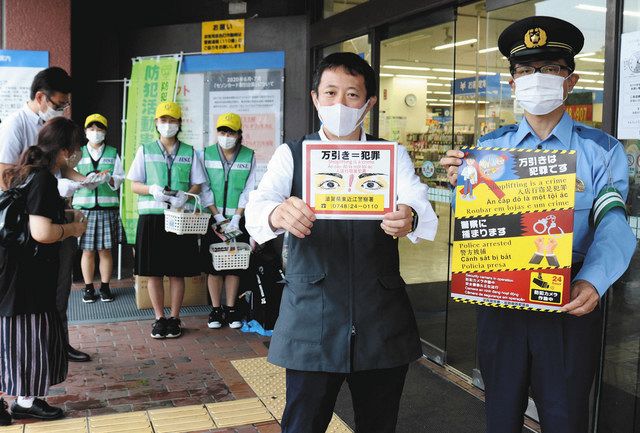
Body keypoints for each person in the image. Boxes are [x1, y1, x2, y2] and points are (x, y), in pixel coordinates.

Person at [440, 16, 636, 433]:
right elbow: (478, 227)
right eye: (526, 71)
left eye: (550, 69)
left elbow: (613, 222)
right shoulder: (488, 150)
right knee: (500, 416)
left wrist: (594, 282)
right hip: (502, 304)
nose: (537, 79)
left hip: (569, 302)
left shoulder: (601, 150)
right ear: (512, 84)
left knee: (565, 419)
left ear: (570, 80)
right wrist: (461, 183)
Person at [245, 52, 439, 433]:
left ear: (369, 103)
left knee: (379, 423)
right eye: (330, 93)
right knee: (303, 422)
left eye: (352, 95)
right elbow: (258, 205)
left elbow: (416, 200)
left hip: (380, 317)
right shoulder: (293, 154)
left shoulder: (391, 155)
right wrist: (276, 213)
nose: (340, 104)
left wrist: (409, 217)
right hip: (311, 319)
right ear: (315, 98)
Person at [0, 66, 92, 363]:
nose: (62, 109)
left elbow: (61, 166)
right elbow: (4, 176)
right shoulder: (16, 125)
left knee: (58, 288)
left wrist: (83, 180)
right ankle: (38, 354)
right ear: (41, 97)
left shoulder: (48, 127)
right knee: (34, 296)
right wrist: (46, 216)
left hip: (46, 214)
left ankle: (56, 344)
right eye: (59, 104)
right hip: (27, 227)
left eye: (65, 105)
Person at [0, 117, 88, 424]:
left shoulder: (28, 172)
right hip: (27, 276)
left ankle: (19, 398)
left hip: (16, 272)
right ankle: (26, 400)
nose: (76, 155)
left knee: (17, 336)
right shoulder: (42, 179)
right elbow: (41, 232)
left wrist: (62, 215)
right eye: (75, 149)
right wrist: (73, 228)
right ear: (64, 151)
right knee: (27, 335)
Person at [127, 101, 206, 339]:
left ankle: (175, 318)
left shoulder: (190, 151)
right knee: (153, 273)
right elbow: (134, 185)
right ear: (156, 123)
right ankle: (159, 318)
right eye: (163, 120)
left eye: (172, 120)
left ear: (180, 123)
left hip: (179, 220)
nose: (168, 125)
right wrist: (151, 189)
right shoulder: (145, 149)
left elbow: (198, 183)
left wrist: (186, 195)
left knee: (177, 273)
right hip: (151, 219)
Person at [200, 112, 256, 329]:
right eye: (222, 131)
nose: (226, 135)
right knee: (214, 267)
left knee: (234, 266)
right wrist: (217, 216)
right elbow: (204, 187)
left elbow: (249, 189)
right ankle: (215, 310)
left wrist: (236, 218)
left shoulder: (249, 156)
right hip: (213, 220)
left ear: (239, 134)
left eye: (231, 132)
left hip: (236, 220)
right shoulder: (205, 154)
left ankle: (231, 309)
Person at [72, 114, 124, 303]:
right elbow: (71, 178)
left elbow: (119, 178)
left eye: (99, 129)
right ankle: (88, 288)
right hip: (84, 209)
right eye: (92, 129)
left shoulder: (112, 152)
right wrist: (84, 181)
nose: (95, 133)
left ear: (105, 132)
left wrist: (108, 178)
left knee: (105, 250)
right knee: (87, 251)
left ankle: (105, 287)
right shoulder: (77, 152)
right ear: (85, 132)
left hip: (106, 208)